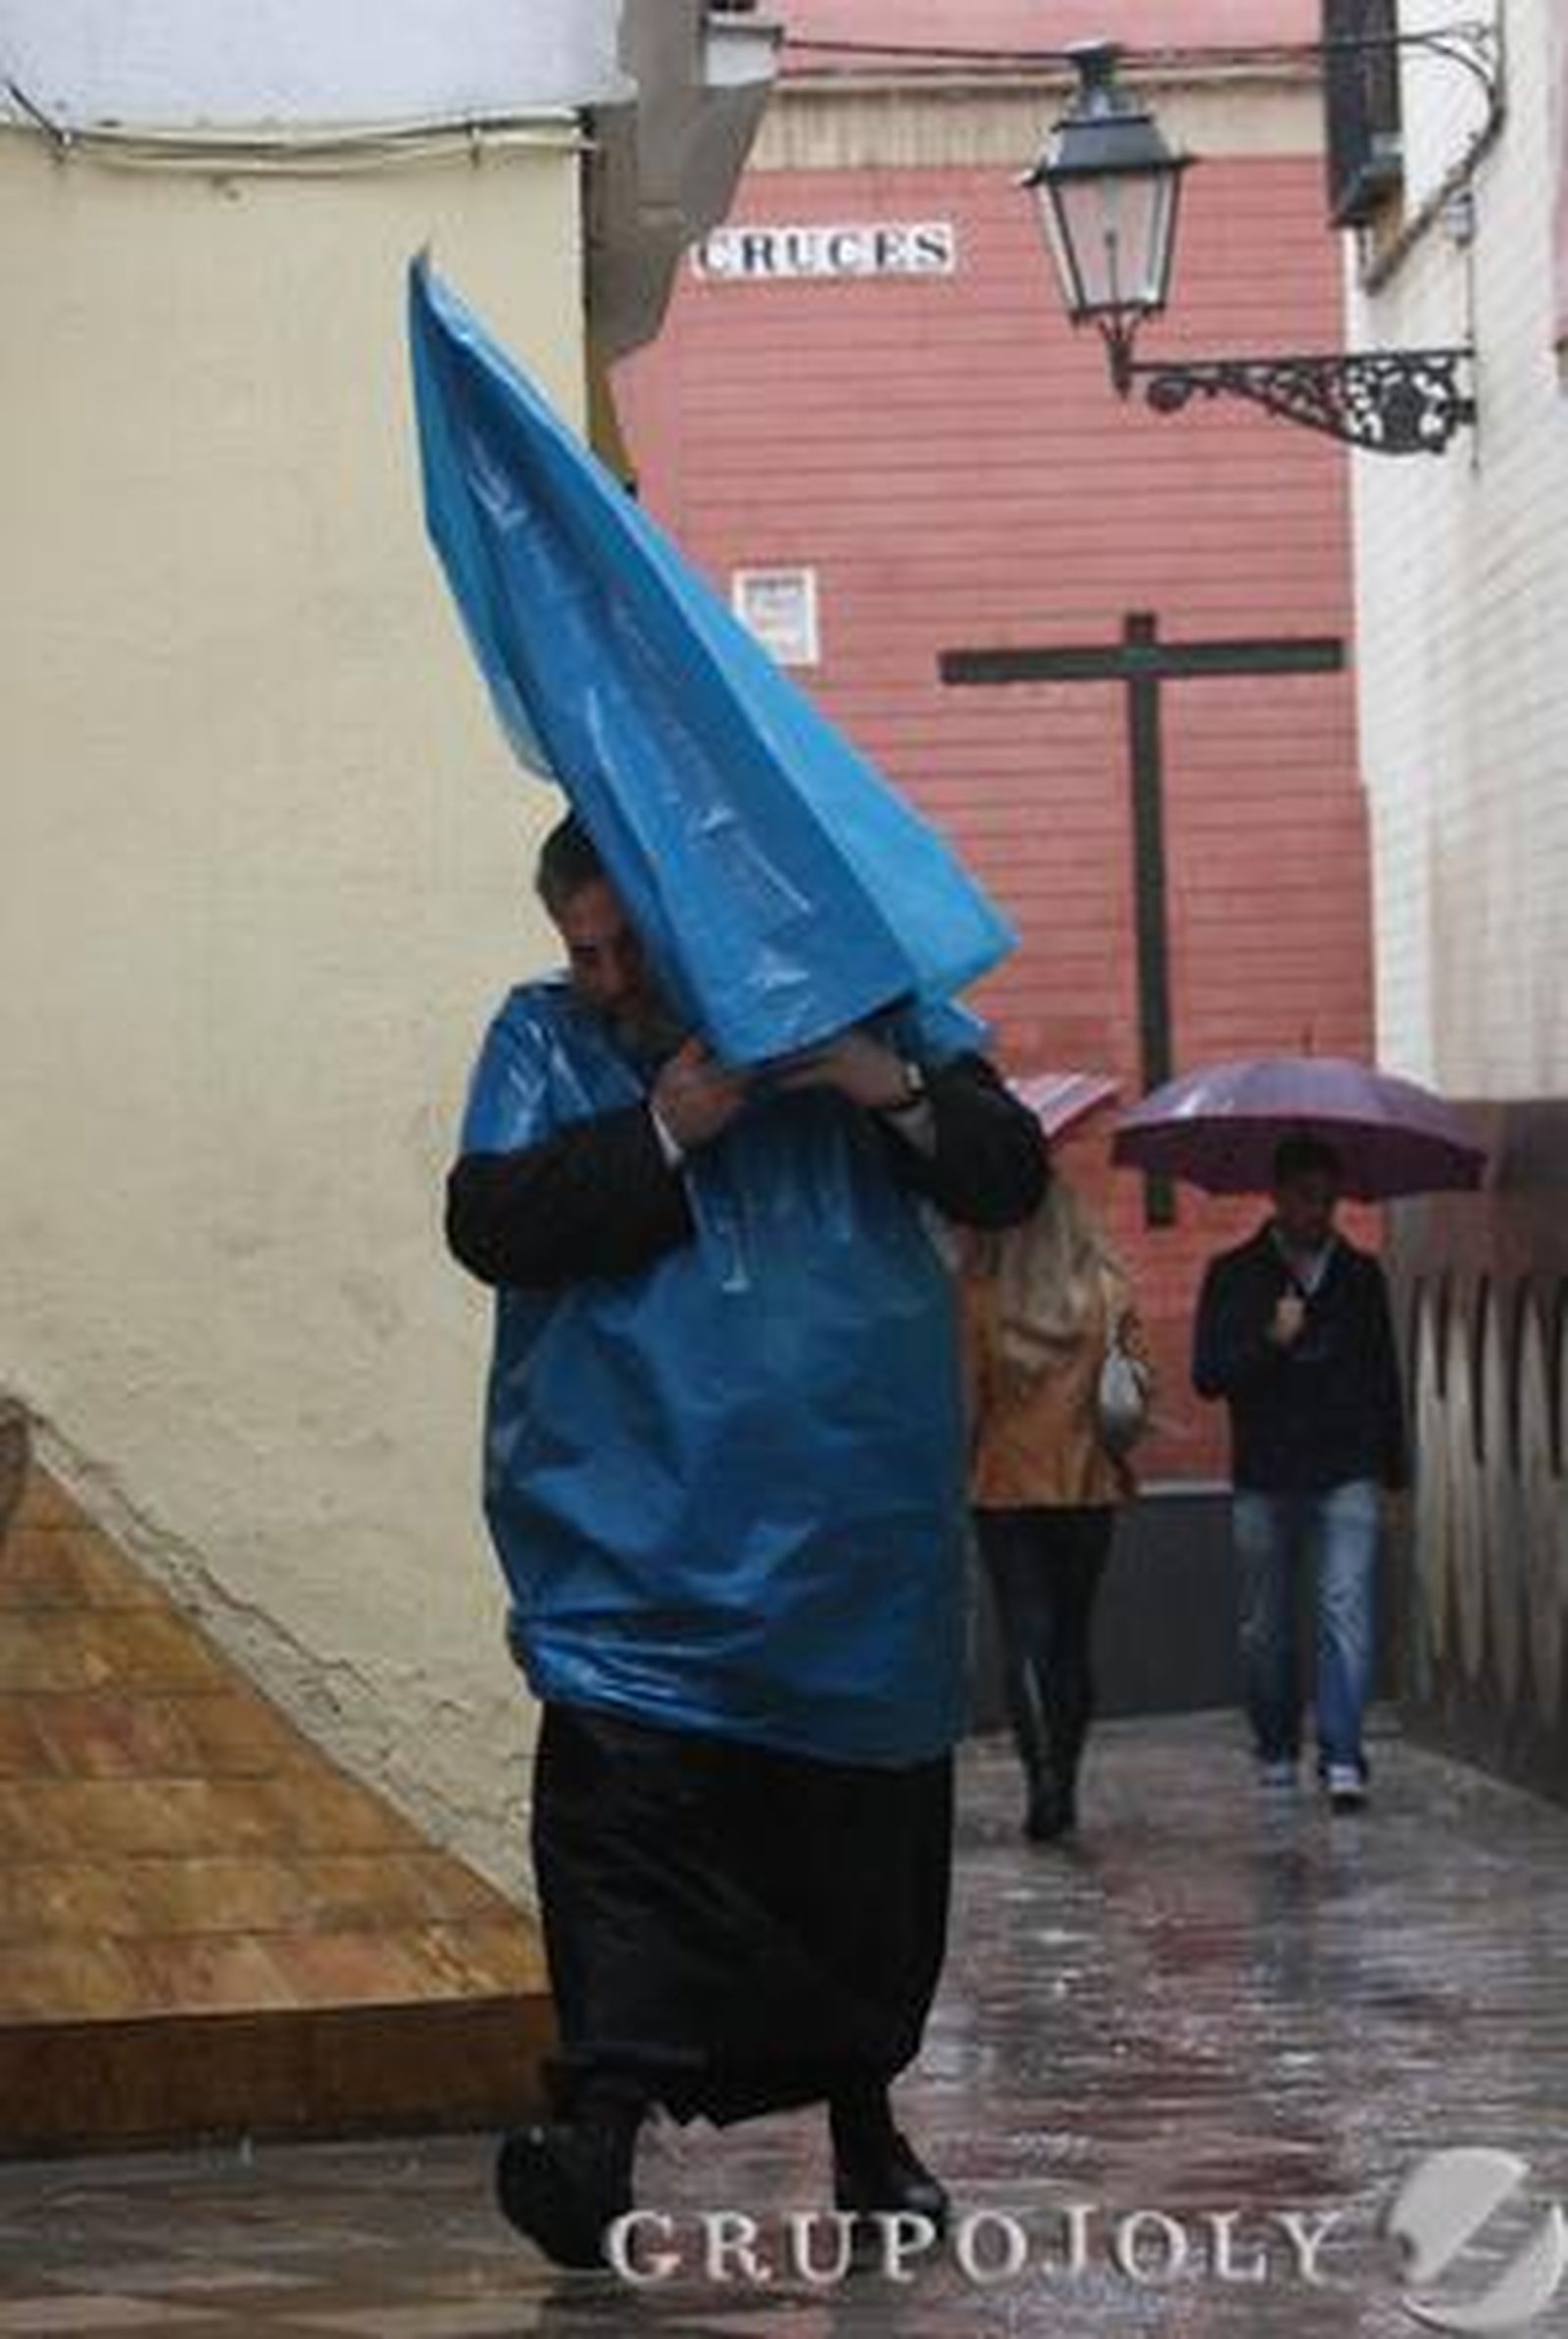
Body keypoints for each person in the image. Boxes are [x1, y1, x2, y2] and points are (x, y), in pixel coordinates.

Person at [445, 811, 1047, 2268]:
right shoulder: (547, 1042)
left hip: (843, 1564)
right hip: (635, 1566)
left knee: (845, 1867)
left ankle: (866, 2130)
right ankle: (596, 2134)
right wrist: (668, 1124)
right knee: (621, 1854)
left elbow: (1003, 1170)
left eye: (621, 945)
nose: (597, 978)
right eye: (577, 949)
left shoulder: (870, 1021)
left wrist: (875, 1082)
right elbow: (493, 1219)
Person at [1192, 1134, 1408, 1812]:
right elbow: (1208, 1377)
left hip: (1346, 1467)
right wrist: (1270, 1341)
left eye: (1330, 1199)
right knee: (1267, 1624)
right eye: (1309, 1198)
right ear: (1278, 1197)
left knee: (1346, 1606)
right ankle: (1278, 1746)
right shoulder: (1235, 1274)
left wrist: (1393, 1467)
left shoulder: (1360, 1275)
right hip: (1267, 1471)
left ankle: (1343, 1753)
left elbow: (1383, 1375)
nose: (1322, 1212)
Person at [961, 1173, 1152, 1842]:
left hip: (1005, 1485)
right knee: (1073, 1634)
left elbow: (968, 1399)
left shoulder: (981, 1295)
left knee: (1025, 1634)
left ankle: (1039, 1777)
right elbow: (1136, 1392)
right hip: (1085, 1485)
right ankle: (1065, 1778)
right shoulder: (1108, 1291)